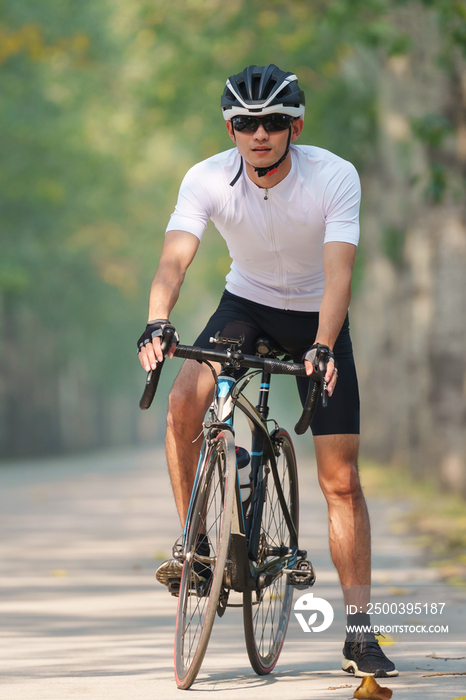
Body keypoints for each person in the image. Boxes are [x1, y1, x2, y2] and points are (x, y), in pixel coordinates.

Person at [137, 64, 398, 679]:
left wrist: (325, 345)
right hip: (245, 307)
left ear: (295, 126)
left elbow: (339, 275)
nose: (260, 134)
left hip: (318, 317)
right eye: (247, 123)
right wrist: (157, 321)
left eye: (274, 122)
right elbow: (174, 259)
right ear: (231, 128)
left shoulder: (333, 175)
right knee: (182, 404)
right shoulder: (206, 178)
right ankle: (198, 549)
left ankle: (359, 634)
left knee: (340, 479)